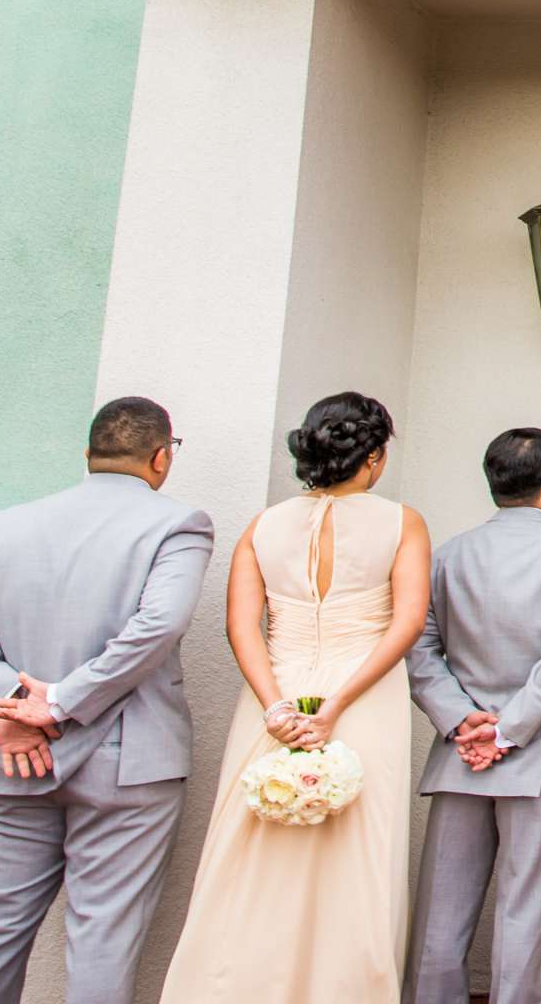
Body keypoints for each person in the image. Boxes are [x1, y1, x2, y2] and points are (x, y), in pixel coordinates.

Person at [0, 396, 213, 1004]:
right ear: (161, 457)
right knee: (103, 937)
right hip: (127, 765)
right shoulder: (178, 523)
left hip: (12, 758)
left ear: (88, 455)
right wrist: (54, 704)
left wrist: (12, 707)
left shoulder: (4, 525)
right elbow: (158, 626)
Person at [159, 392, 431, 999]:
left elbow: (240, 626)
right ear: (376, 457)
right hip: (362, 705)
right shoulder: (402, 523)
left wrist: (277, 705)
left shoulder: (262, 526)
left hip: (272, 704)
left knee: (253, 859)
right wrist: (335, 706)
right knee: (356, 863)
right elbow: (407, 623)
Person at [403, 428, 541, 1004]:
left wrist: (462, 720)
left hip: (460, 752)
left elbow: (420, 646)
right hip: (537, 754)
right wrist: (509, 729)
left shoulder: (448, 553)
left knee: (441, 912)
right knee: (527, 910)